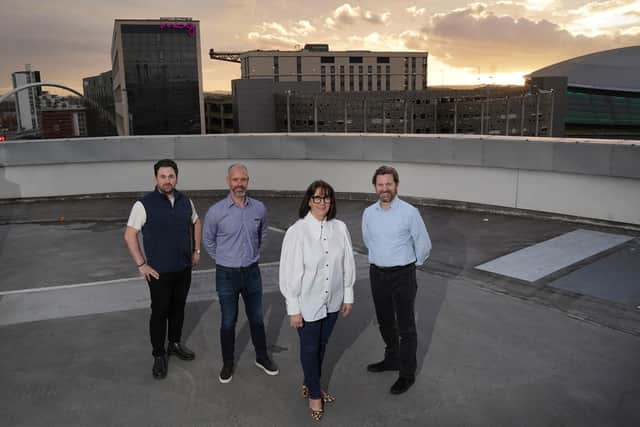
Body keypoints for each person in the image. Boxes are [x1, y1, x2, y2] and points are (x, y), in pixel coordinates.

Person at [279, 180, 356, 421]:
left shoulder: (340, 228)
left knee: (322, 345)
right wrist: (293, 308)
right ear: (309, 201)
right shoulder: (297, 231)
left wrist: (348, 294)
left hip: (332, 300)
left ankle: (309, 381)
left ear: (331, 201)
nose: (322, 202)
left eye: (326, 198)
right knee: (310, 348)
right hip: (307, 303)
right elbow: (289, 272)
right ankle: (314, 393)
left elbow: (347, 263)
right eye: (317, 198)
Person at [124, 159, 201, 380]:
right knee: (159, 313)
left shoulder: (186, 201)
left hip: (183, 268)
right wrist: (142, 264)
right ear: (156, 178)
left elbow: (196, 222)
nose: (168, 180)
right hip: (158, 272)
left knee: (178, 309)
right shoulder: (143, 204)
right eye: (163, 176)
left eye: (171, 176)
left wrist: (196, 250)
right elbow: (129, 235)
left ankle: (174, 344)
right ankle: (159, 355)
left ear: (176, 177)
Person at [202, 163, 279, 383]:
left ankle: (261, 357)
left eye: (243, 179)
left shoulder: (259, 208)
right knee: (228, 320)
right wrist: (223, 259)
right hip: (226, 274)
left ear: (248, 181)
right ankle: (227, 363)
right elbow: (208, 239)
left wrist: (252, 254)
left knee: (256, 318)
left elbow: (262, 234)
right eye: (235, 180)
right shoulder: (216, 211)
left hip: (252, 271)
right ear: (228, 181)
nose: (240, 184)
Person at [362, 165, 432, 395]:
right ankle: (391, 358)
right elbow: (368, 240)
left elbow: (423, 244)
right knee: (384, 321)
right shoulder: (368, 213)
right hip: (377, 274)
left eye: (388, 184)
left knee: (406, 327)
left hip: (403, 274)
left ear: (396, 186)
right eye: (380, 185)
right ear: (375, 187)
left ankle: (407, 373)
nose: (384, 189)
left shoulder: (409, 212)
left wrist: (410, 265)